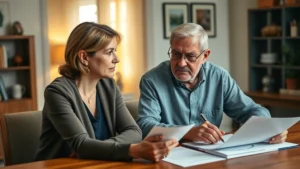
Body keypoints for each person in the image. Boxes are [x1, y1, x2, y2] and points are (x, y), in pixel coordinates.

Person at [35, 22, 178, 162]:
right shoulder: (57, 92)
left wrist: (96, 149)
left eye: (115, 51)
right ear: (84, 57)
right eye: (109, 52)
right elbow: (82, 145)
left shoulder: (108, 86)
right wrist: (133, 150)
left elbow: (134, 131)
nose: (116, 59)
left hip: (99, 164)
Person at [137, 23, 288, 144]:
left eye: (190, 56)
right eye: (176, 54)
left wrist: (270, 127)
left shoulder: (219, 77)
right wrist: (188, 132)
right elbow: (145, 125)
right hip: (169, 156)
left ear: (205, 56)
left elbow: (250, 109)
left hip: (211, 156)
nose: (181, 63)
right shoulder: (152, 80)